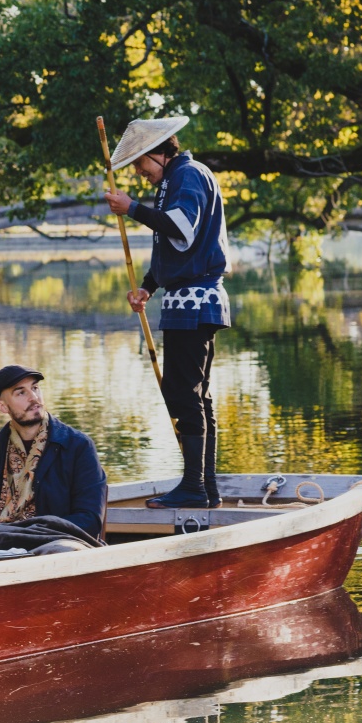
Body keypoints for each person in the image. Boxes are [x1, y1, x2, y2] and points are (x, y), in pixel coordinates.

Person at [104, 116, 229, 509]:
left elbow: (181, 229)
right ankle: (205, 487)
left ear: (158, 153)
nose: (140, 173)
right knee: (194, 394)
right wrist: (147, 286)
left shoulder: (188, 175)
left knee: (183, 393)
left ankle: (194, 486)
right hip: (184, 301)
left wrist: (132, 208)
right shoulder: (172, 182)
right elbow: (170, 249)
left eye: (141, 163)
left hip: (196, 302)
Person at [0, 365, 108, 542]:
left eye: (35, 388)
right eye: (20, 393)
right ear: (3, 407)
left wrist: (26, 534)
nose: (34, 397)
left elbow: (89, 520)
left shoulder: (78, 446)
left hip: (54, 543)